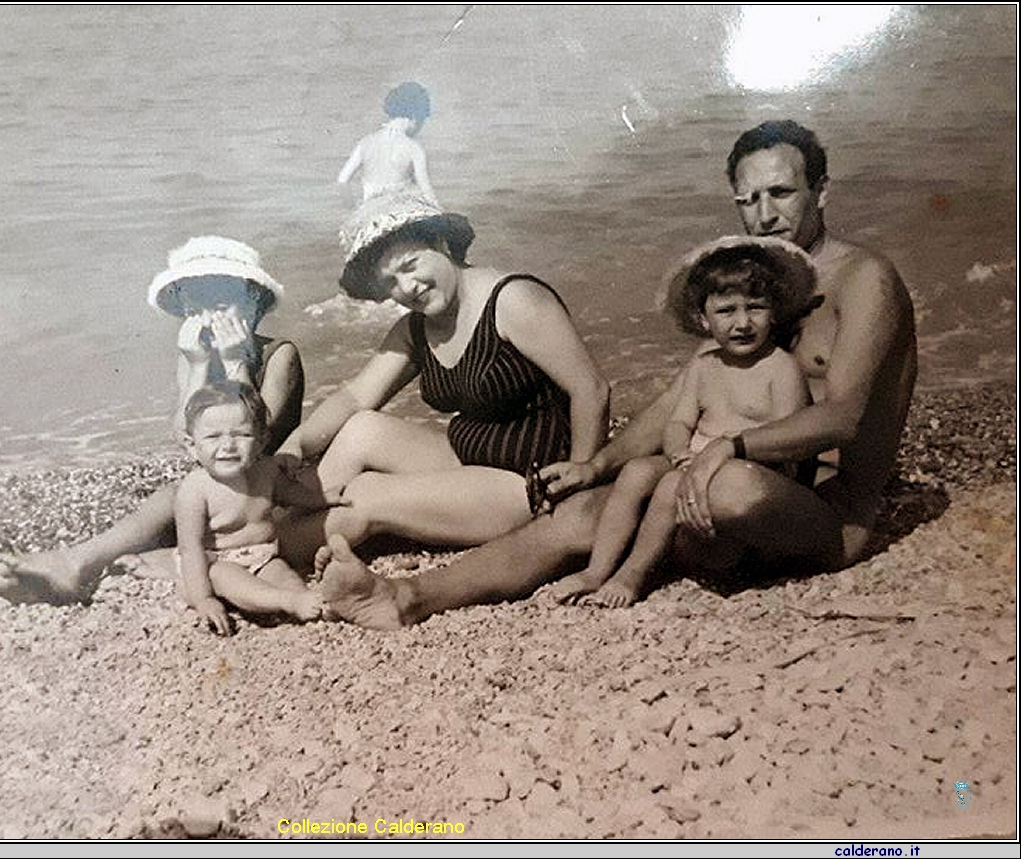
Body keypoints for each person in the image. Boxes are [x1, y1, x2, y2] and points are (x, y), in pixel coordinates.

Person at [316, 119, 919, 629]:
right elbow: (681, 398)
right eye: (747, 200)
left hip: (823, 513)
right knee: (577, 512)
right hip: (724, 480)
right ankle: (407, 597)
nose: (764, 215)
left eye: (782, 194)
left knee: (722, 486)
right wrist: (594, 465)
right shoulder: (756, 286)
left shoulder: (864, 279)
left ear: (821, 190)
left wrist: (725, 450)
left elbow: (843, 418)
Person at [275, 191, 610, 562]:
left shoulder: (514, 300)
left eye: (410, 265)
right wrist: (296, 444)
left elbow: (590, 389)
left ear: (440, 242)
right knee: (361, 429)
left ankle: (263, 552)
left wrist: (582, 484)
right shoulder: (416, 328)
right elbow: (355, 397)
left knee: (368, 495)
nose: (406, 288)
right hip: (464, 462)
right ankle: (260, 520)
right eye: (390, 283)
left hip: (528, 483)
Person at [0, 236, 304, 605]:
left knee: (176, 498)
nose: (213, 309)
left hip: (266, 492)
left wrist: (235, 361)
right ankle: (74, 566)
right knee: (170, 500)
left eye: (225, 295)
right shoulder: (195, 354)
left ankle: (81, 566)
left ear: (254, 302)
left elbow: (258, 438)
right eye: (200, 298)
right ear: (186, 307)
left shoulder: (280, 355)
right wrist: (199, 364)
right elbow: (188, 441)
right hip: (217, 493)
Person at [547, 235, 814, 608]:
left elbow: (789, 443)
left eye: (755, 307)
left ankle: (633, 574)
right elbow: (678, 424)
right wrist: (679, 455)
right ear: (703, 318)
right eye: (726, 311)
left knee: (673, 484)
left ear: (775, 312)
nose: (742, 322)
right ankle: (597, 568)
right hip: (694, 460)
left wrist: (709, 465)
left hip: (748, 478)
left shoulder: (780, 369)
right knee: (639, 471)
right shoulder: (705, 366)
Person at [174, 381, 336, 636]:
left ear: (262, 440)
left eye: (242, 435)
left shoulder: (267, 471)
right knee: (227, 577)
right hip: (210, 564)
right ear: (191, 445)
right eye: (213, 436)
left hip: (261, 556)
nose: (228, 445)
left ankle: (307, 599)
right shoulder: (194, 490)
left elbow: (292, 494)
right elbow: (189, 548)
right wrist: (203, 598)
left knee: (284, 575)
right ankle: (286, 602)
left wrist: (321, 500)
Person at [337, 81, 438, 204]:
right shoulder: (413, 148)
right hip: (400, 208)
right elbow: (426, 190)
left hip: (373, 208)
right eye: (422, 121)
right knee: (414, 189)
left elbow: (342, 180)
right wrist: (440, 211)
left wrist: (351, 206)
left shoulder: (365, 142)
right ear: (415, 118)